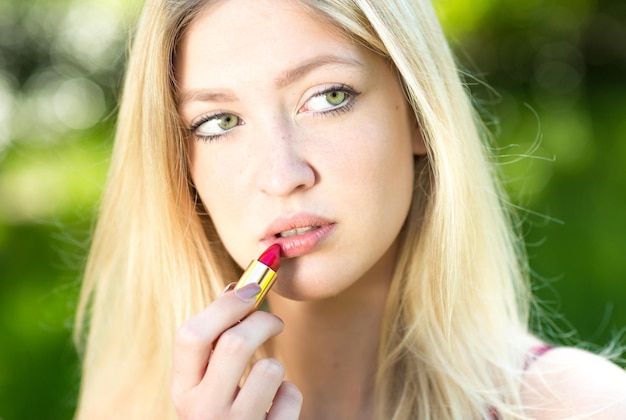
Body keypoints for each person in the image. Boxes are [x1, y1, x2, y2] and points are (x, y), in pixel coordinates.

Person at [73, 0, 626, 418]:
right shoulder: (123, 406)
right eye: (218, 122)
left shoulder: (578, 406)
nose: (282, 175)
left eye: (329, 96)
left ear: (418, 111)